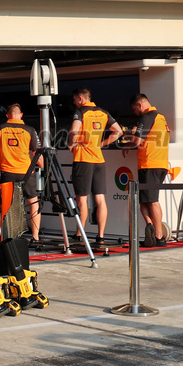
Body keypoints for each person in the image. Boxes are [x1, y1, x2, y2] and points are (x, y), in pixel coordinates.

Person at [69, 88, 123, 248]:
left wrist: (71, 143)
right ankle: (100, 236)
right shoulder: (103, 112)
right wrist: (101, 144)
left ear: (80, 98)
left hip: (83, 159)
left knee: (82, 199)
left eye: (74, 100)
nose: (74, 103)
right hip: (98, 159)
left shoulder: (80, 112)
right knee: (100, 199)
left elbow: (73, 130)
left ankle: (80, 234)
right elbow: (118, 131)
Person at [128, 93, 171, 247]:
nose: (134, 113)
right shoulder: (160, 117)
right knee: (143, 201)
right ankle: (151, 229)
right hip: (160, 164)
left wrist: (128, 140)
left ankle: (159, 237)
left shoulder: (147, 117)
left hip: (150, 164)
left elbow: (137, 140)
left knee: (151, 201)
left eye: (134, 109)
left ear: (140, 105)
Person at [0, 103, 41, 245]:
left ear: (7, 115)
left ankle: (5, 236)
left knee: (6, 205)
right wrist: (45, 167)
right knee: (33, 202)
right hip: (26, 172)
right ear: (21, 115)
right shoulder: (29, 130)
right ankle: (35, 237)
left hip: (7, 172)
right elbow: (37, 153)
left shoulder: (0, 129)